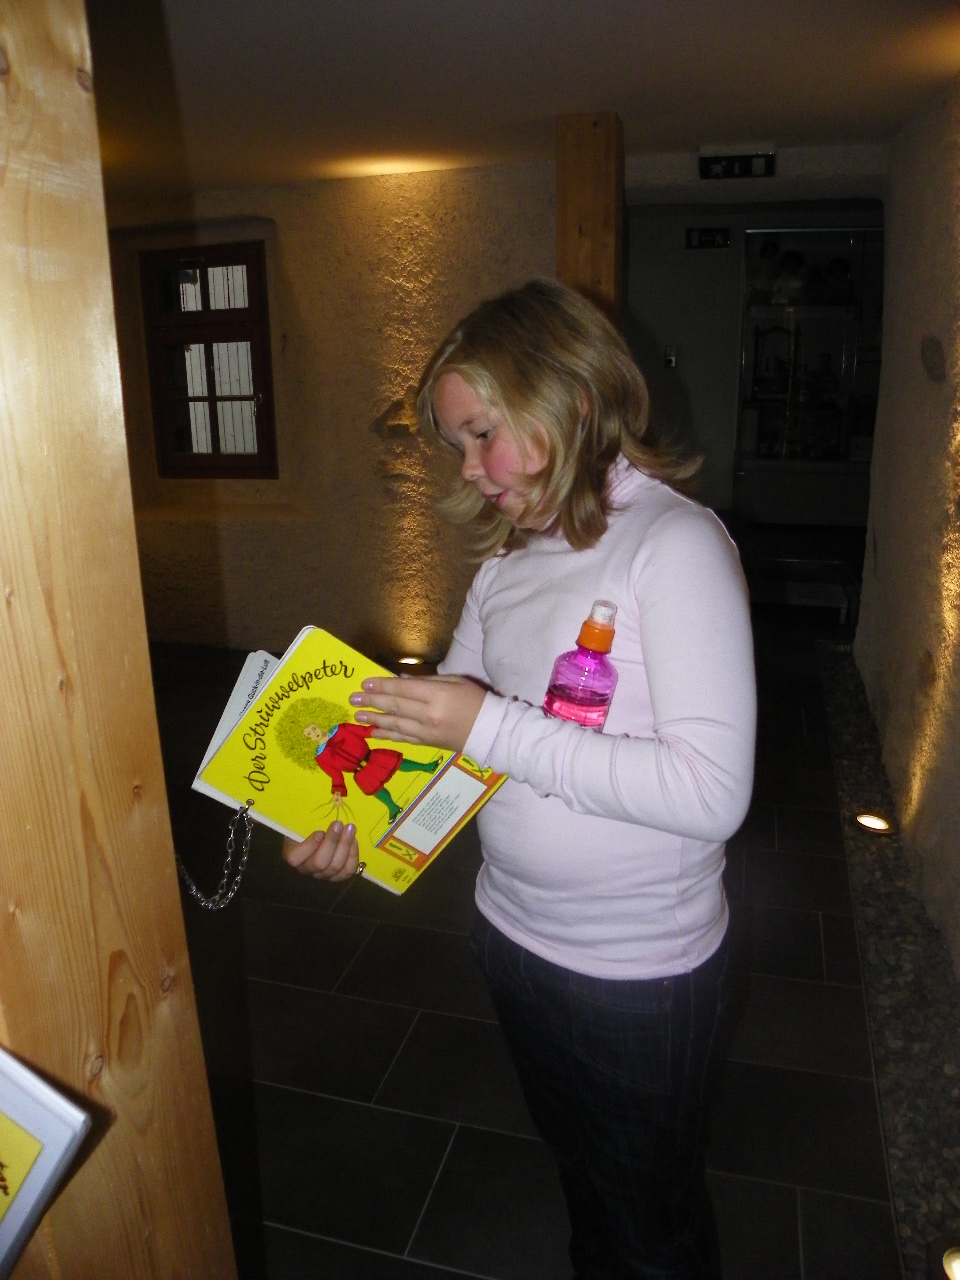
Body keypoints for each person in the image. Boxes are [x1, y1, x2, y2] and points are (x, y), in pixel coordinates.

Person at [283, 279, 756, 1279]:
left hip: (636, 975)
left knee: (651, 1227)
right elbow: (446, 746)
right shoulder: (505, 565)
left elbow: (711, 792)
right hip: (512, 940)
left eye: (482, 434)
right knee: (587, 1184)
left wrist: (488, 722)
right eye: (458, 443)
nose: (469, 467)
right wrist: (356, 826)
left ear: (571, 399)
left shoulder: (674, 546)